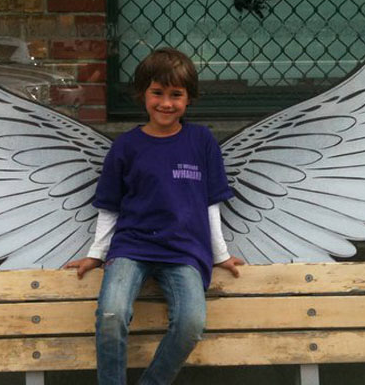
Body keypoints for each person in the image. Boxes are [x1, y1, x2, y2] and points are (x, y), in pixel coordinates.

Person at [66, 47, 244, 385]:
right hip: (131, 248)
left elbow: (211, 203)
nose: (166, 103)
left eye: (176, 94)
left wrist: (219, 254)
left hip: (184, 252)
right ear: (142, 95)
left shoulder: (202, 141)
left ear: (189, 98)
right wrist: (96, 253)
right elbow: (109, 206)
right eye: (157, 93)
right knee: (112, 314)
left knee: (191, 323)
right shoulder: (125, 146)